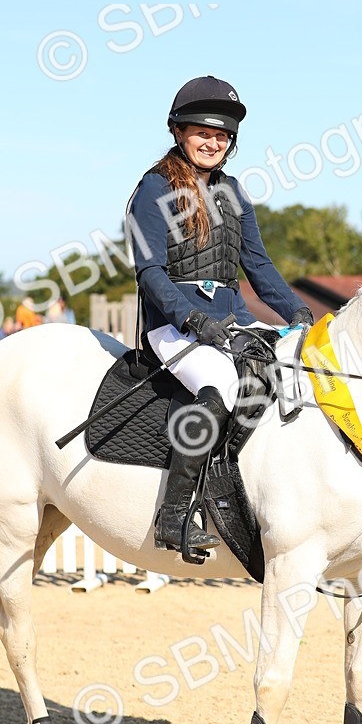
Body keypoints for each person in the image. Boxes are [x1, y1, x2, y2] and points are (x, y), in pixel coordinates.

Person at [126, 75, 313, 561]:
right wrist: (192, 320)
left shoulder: (232, 192)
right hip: (172, 325)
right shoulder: (154, 188)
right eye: (202, 132)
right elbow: (149, 271)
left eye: (222, 136)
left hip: (231, 318)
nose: (212, 142)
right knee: (222, 387)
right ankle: (174, 515)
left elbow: (258, 264)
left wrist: (295, 309)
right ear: (178, 132)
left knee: (289, 374)